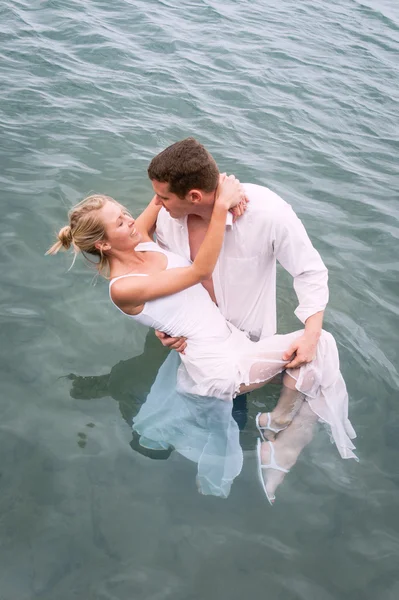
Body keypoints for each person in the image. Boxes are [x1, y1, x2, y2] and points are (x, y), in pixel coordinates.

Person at [47, 175, 357, 504]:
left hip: (232, 343)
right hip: (217, 367)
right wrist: (222, 205)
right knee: (318, 344)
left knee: (315, 348)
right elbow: (199, 271)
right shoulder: (123, 286)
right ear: (104, 244)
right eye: (120, 222)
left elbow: (163, 196)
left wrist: (216, 183)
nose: (129, 220)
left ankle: (276, 425)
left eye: (124, 213)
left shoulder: (136, 240)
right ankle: (281, 434)